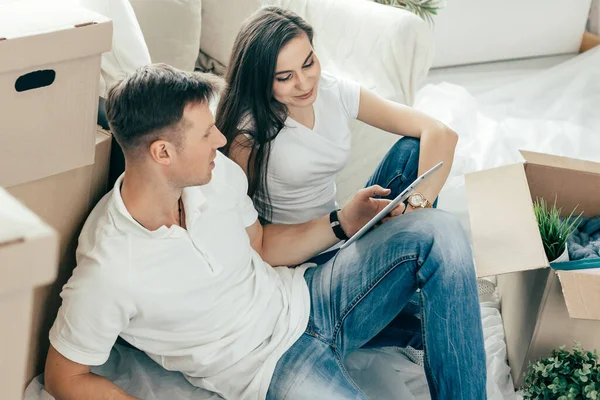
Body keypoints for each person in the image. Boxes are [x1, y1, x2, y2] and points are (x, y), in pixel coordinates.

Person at [44, 64, 486, 400]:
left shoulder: (215, 178)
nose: (220, 139)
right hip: (272, 369)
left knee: (440, 232)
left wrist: (342, 222)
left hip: (310, 296)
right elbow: (64, 375)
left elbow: (262, 245)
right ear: (163, 152)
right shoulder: (109, 268)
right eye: (205, 134)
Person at [216, 6, 458, 240]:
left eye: (308, 63)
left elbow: (439, 132)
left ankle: (419, 238)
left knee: (413, 151)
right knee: (428, 240)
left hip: (344, 232)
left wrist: (416, 208)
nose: (304, 83)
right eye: (285, 77)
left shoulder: (332, 90)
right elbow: (242, 225)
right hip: (299, 251)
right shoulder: (247, 130)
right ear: (260, 80)